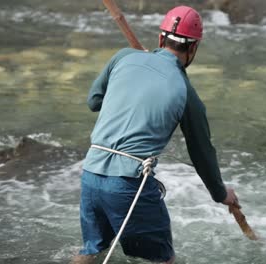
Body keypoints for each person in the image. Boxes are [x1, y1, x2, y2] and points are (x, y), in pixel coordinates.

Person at [72, 5, 240, 264]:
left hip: (91, 173)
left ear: (161, 38)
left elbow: (94, 101)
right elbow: (201, 153)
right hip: (129, 185)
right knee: (164, 260)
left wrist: (131, 85)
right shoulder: (187, 93)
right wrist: (220, 193)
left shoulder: (123, 57)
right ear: (193, 48)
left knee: (91, 251)